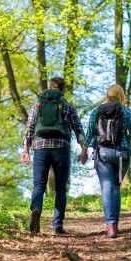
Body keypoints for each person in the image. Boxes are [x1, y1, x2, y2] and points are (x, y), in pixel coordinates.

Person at [21, 77, 85, 235]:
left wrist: (26, 150)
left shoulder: (37, 106)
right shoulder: (68, 106)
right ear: (63, 90)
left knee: (39, 186)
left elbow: (29, 128)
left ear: (49, 87)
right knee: (61, 189)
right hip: (61, 148)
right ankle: (57, 225)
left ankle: (36, 208)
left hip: (40, 148)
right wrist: (83, 150)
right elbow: (78, 129)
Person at [79, 84, 131, 238]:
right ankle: (116, 224)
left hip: (103, 154)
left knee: (106, 187)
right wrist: (126, 138)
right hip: (122, 154)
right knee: (116, 188)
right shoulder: (127, 111)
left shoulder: (96, 112)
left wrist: (84, 154)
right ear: (121, 96)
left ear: (107, 95)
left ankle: (110, 225)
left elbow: (89, 135)